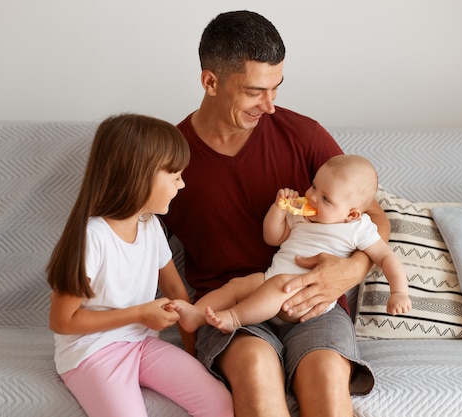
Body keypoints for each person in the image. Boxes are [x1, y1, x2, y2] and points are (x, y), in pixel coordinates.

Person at [162, 10, 390, 417]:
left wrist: (351, 270)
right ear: (210, 81)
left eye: (276, 88)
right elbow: (145, 244)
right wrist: (188, 330)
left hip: (313, 303)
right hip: (234, 309)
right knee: (254, 367)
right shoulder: (172, 156)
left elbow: (372, 215)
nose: (269, 106)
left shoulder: (302, 134)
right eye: (254, 91)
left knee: (324, 376)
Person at [46, 114, 233, 417]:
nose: (182, 184)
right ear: (140, 176)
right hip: (92, 353)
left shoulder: (151, 227)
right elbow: (61, 321)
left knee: (220, 403)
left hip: (142, 344)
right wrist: (139, 314)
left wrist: (192, 355)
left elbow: (175, 291)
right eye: (174, 177)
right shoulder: (92, 238)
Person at [176, 155, 412, 334]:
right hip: (270, 282)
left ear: (350, 214)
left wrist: (399, 292)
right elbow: (273, 237)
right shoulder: (301, 215)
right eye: (314, 186)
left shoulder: (357, 228)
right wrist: (278, 210)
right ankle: (196, 315)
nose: (313, 197)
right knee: (237, 285)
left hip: (303, 300)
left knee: (279, 284)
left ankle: (234, 319)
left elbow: (386, 257)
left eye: (326, 198)